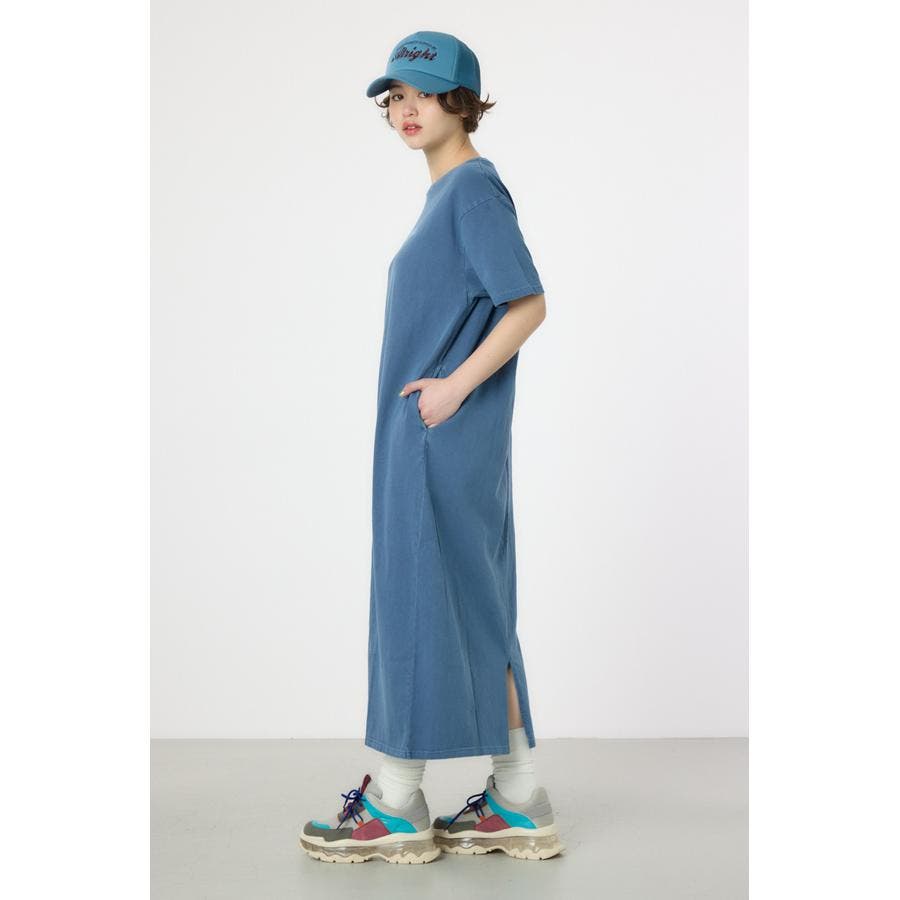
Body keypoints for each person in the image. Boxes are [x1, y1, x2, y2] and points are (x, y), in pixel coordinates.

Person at [299, 31, 563, 864]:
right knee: (476, 604)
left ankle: (395, 802)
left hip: (439, 438)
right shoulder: (451, 194)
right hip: (450, 440)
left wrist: (451, 388)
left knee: (414, 598)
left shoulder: (471, 192)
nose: (405, 109)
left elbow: (528, 304)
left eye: (423, 93)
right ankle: (518, 797)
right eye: (395, 98)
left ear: (463, 101)